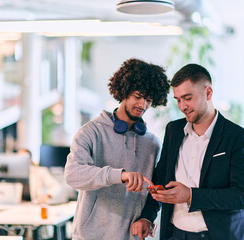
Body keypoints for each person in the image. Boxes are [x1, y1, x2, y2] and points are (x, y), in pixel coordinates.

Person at [131, 63, 244, 240]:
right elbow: (160, 179)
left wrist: (191, 195)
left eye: (188, 98)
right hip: (176, 234)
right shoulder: (173, 130)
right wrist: (147, 217)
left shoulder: (238, 137)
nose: (182, 106)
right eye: (178, 100)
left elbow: (242, 196)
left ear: (208, 93)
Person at [64, 58, 170, 240]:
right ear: (124, 91)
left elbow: (153, 192)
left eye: (148, 100)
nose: (142, 105)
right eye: (138, 97)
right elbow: (72, 174)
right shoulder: (91, 132)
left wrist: (146, 218)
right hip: (90, 236)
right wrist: (120, 175)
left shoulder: (153, 144)